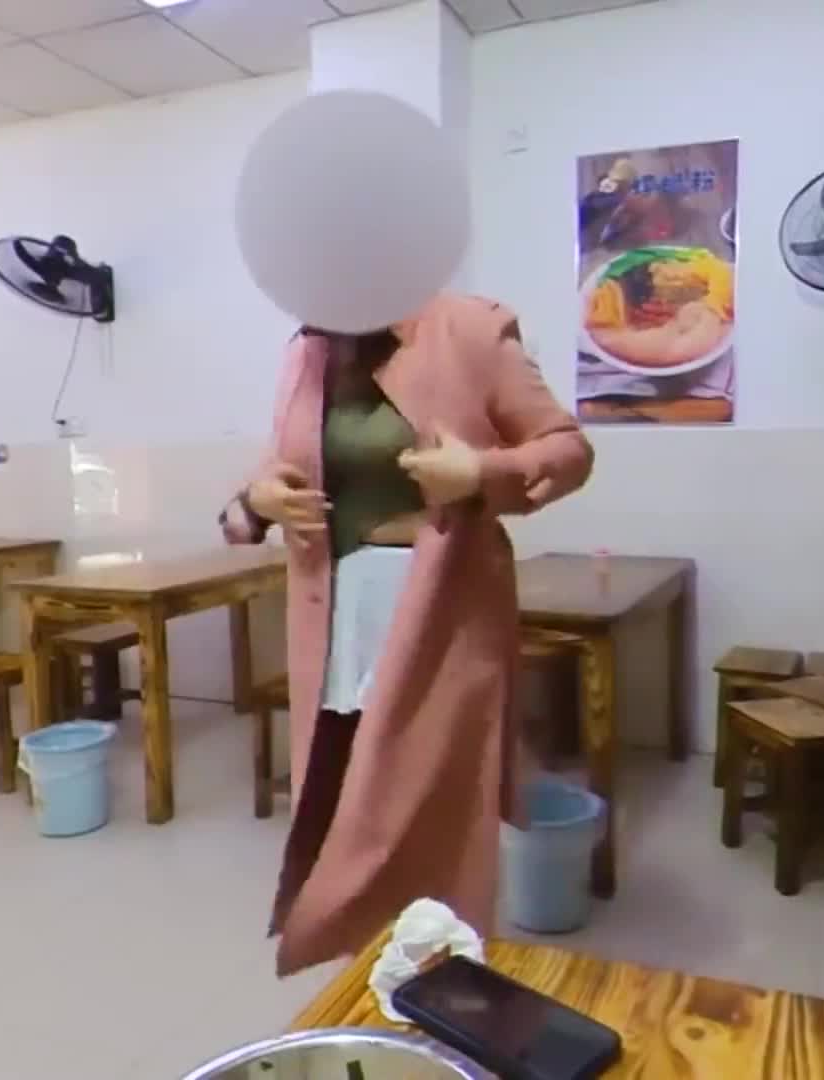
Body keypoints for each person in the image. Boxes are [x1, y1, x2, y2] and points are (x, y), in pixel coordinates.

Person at [218, 293, 594, 976]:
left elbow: (568, 450)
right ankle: (375, 981)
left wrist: (481, 473)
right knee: (344, 813)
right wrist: (255, 501)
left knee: (425, 826)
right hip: (334, 626)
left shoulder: (467, 328)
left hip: (441, 620)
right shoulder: (308, 349)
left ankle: (439, 985)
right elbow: (276, 474)